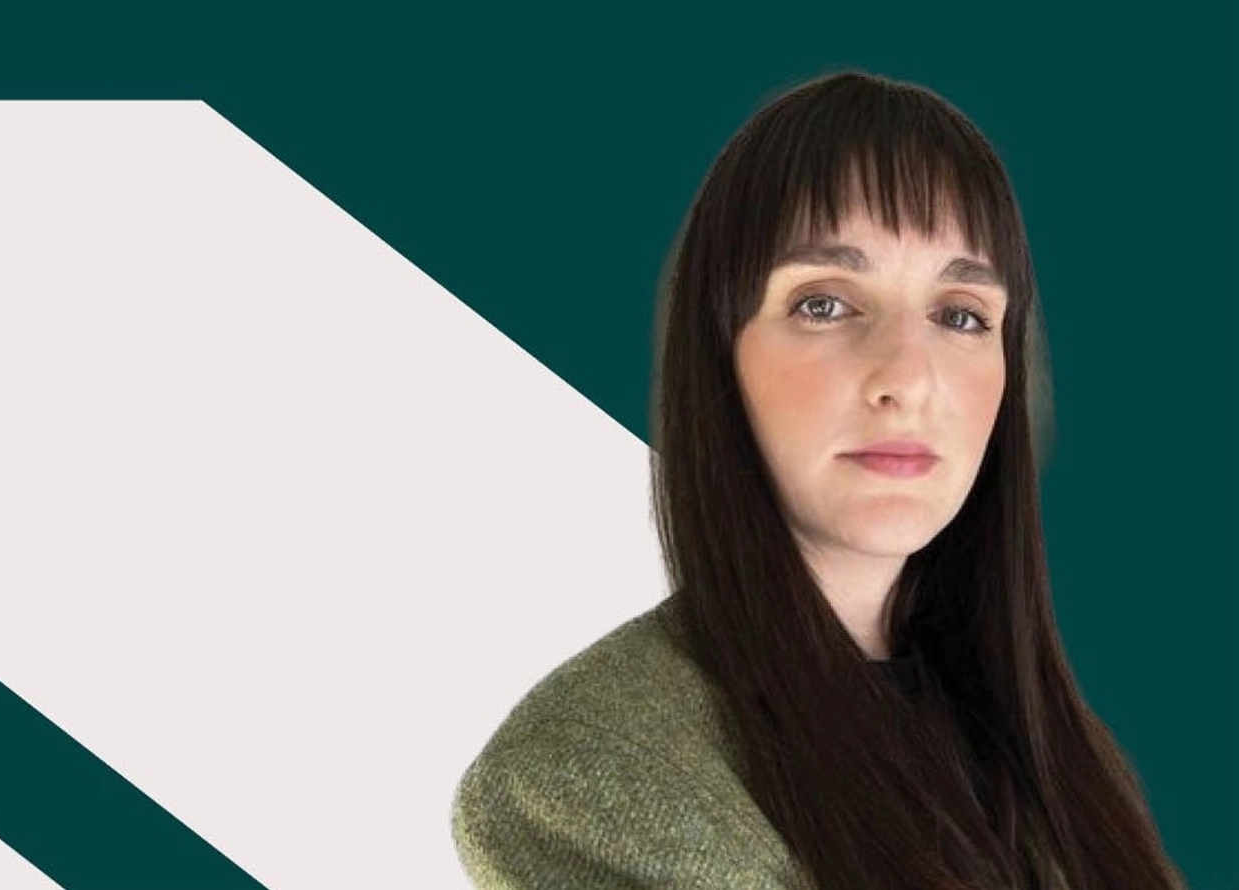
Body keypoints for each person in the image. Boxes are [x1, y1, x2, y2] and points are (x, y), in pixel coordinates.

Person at [450, 70, 1186, 890]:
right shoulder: (586, 778)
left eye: (960, 314)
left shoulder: (1074, 758)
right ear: (720, 351)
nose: (908, 378)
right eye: (825, 304)